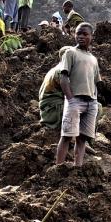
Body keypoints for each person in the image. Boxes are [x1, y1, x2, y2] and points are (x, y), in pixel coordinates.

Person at [55, 22, 102, 166]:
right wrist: (71, 100)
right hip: (75, 100)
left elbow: (96, 82)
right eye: (78, 33)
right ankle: (58, 168)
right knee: (67, 136)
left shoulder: (93, 59)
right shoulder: (70, 53)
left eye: (85, 34)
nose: (81, 36)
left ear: (91, 37)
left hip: (91, 102)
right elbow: (63, 78)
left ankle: (78, 168)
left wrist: (95, 100)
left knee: (82, 139)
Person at [39, 46, 71, 129]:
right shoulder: (62, 71)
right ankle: (81, 138)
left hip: (50, 111)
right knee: (94, 108)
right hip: (54, 112)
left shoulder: (56, 69)